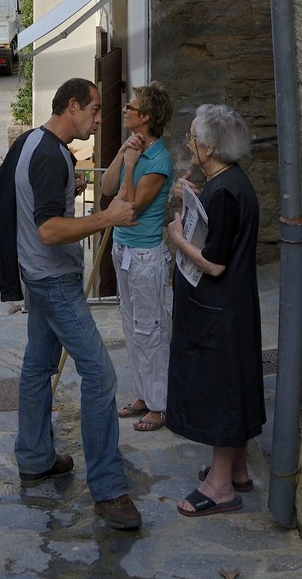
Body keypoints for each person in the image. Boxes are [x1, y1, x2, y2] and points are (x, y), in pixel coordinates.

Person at [12, 77, 143, 532]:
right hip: (53, 280)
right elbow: (48, 230)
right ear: (72, 105)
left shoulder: (35, 141)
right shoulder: (49, 155)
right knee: (101, 376)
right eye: (94, 108)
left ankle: (34, 458)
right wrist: (106, 217)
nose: (100, 116)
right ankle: (108, 489)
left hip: (38, 274)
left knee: (36, 367)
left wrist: (126, 159)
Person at [165, 103, 265, 518]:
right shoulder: (229, 182)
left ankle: (220, 486)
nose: (189, 142)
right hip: (232, 307)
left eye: (192, 137)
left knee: (221, 390)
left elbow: (214, 261)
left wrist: (176, 237)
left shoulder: (224, 191)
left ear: (207, 146)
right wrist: (190, 196)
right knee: (233, 383)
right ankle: (237, 469)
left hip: (219, 310)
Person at [99, 82, 174, 432]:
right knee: (131, 327)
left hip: (145, 256)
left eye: (131, 108)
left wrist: (131, 164)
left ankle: (159, 406)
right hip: (123, 250)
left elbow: (128, 206)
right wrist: (122, 155)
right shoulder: (132, 147)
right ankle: (144, 395)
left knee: (151, 330)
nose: (125, 110)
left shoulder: (159, 160)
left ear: (144, 117)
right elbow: (106, 189)